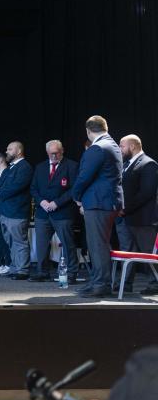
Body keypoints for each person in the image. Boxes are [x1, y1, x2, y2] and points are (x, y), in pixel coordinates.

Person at [72, 115, 123, 298]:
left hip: (99, 203)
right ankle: (97, 281)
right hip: (106, 202)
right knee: (98, 244)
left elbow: (84, 177)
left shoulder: (98, 148)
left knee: (97, 245)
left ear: (88, 130)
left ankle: (101, 285)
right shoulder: (112, 145)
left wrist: (76, 196)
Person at [30, 140, 80, 283]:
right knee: (41, 244)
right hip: (42, 212)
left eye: (56, 153)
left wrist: (56, 203)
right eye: (51, 153)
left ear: (62, 151)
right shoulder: (40, 167)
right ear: (47, 153)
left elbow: (74, 189)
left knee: (67, 243)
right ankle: (42, 272)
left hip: (63, 212)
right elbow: (33, 188)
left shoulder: (72, 166)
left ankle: (71, 273)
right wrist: (41, 201)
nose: (54, 156)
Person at [116, 134, 158, 295]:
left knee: (148, 254)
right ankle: (125, 284)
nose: (120, 149)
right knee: (127, 252)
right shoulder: (125, 164)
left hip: (143, 220)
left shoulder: (148, 164)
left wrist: (125, 209)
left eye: (122, 146)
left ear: (132, 146)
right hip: (126, 219)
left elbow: (147, 192)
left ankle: (155, 284)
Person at [0, 141, 33, 280]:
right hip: (5, 211)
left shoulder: (24, 167)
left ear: (19, 151)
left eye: (10, 149)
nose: (6, 151)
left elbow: (17, 186)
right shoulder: (9, 168)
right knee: (10, 242)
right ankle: (14, 268)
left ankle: (23, 270)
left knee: (19, 241)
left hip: (17, 212)